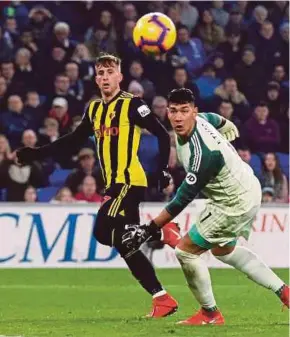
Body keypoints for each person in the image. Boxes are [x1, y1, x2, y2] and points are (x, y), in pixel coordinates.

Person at [16, 53, 180, 318]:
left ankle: (160, 232)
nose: (105, 77)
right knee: (125, 244)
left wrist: (162, 170)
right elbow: (73, 140)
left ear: (120, 77)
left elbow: (162, 134)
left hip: (128, 181)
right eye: (100, 73)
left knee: (103, 230)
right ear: (96, 78)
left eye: (110, 72)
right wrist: (37, 153)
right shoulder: (94, 109)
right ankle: (162, 298)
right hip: (113, 184)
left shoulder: (132, 104)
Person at [122, 88, 289, 325]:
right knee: (223, 250)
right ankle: (285, 292)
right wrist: (225, 122)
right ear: (168, 112)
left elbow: (182, 199)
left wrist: (148, 229)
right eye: (173, 111)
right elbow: (210, 117)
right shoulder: (199, 119)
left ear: (193, 111)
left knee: (186, 251)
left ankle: (210, 314)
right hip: (244, 189)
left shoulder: (204, 153)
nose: (178, 117)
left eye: (184, 111)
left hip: (233, 202)